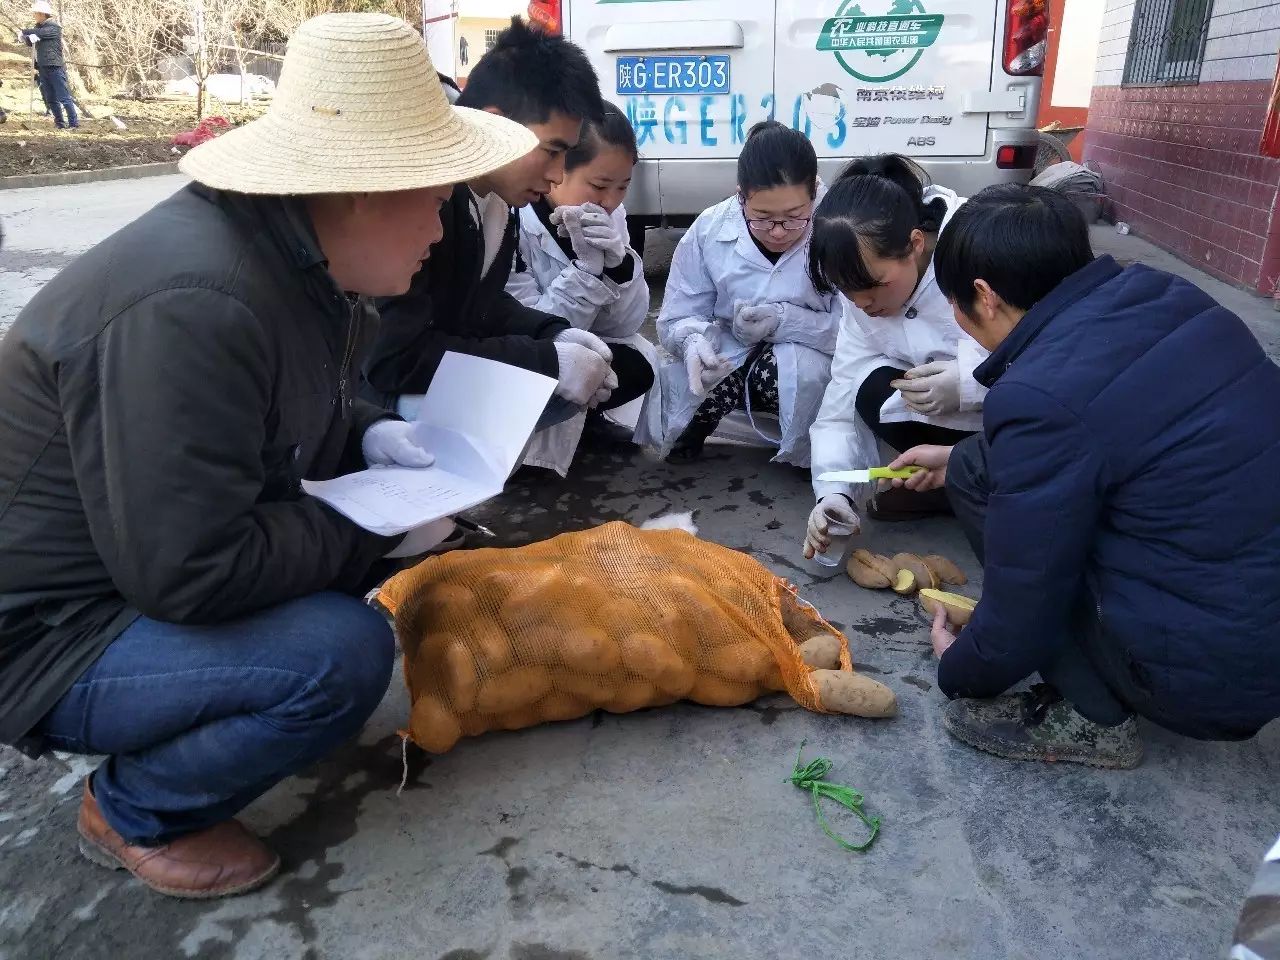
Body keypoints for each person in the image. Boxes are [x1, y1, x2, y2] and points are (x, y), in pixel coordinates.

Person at [0, 13, 534, 898]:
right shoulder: (196, 303)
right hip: (49, 634)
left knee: (337, 603)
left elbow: (290, 400)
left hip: (119, 578)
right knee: (339, 653)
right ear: (365, 188)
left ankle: (195, 725)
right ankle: (134, 807)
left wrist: (370, 430)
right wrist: (364, 530)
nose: (442, 228)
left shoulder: (299, 258)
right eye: (435, 198)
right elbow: (192, 572)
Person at [887, 184, 1280, 768]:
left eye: (955, 303)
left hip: (1216, 674)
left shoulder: (1037, 394)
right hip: (1255, 618)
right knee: (971, 462)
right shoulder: (1166, 295)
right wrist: (966, 455)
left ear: (985, 297)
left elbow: (1028, 589)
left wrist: (963, 668)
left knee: (990, 492)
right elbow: (1120, 428)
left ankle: (1095, 718)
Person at [363, 19, 622, 435]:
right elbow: (395, 359)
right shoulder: (423, 201)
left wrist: (552, 332)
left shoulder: (496, 200)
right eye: (552, 151)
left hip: (419, 378)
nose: (558, 175)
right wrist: (547, 361)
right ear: (494, 123)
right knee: (548, 390)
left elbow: (478, 304)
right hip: (373, 406)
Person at [803, 155, 985, 562]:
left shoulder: (978, 250)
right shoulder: (860, 296)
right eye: (848, 293)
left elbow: (1041, 360)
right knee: (868, 386)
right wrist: (833, 492)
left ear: (916, 245)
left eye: (873, 287)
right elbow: (841, 396)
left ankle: (974, 482)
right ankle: (942, 488)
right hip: (945, 429)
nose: (863, 305)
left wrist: (970, 382)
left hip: (1012, 423)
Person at [653, 121, 840, 464]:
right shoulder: (710, 229)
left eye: (795, 216)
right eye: (763, 217)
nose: (778, 231)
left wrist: (784, 322)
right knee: (693, 375)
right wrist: (693, 341)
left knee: (798, 374)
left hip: (812, 356)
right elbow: (677, 315)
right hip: (732, 351)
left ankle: (810, 448)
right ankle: (701, 422)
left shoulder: (839, 228)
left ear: (814, 192)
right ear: (741, 196)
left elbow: (860, 330)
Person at [506, 100, 657, 474]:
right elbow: (532, 328)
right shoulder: (515, 219)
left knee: (639, 362)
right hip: (526, 356)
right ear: (558, 169)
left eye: (623, 187)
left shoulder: (610, 214)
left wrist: (619, 267)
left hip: (578, 342)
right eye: (599, 185)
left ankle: (583, 425)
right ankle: (525, 453)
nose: (610, 201)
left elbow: (623, 326)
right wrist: (586, 275)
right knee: (581, 366)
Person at [19, 0, 78, 130]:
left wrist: (24, 31)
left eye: (35, 13)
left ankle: (73, 123)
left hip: (55, 67)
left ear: (42, 14)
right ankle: (60, 124)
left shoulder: (53, 28)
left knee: (64, 97)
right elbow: (32, 41)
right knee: (50, 98)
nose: (34, 15)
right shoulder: (38, 28)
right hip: (43, 68)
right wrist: (25, 39)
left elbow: (39, 34)